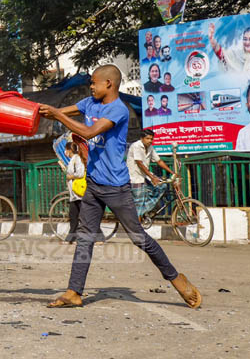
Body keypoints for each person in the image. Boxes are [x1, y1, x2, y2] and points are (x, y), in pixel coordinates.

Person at [39, 64, 201, 309]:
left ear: (109, 84)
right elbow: (59, 112)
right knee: (85, 238)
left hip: (116, 187)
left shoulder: (119, 110)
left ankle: (176, 278)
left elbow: (91, 131)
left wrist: (58, 115)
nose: (91, 86)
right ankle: (74, 291)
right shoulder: (88, 103)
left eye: (94, 82)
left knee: (138, 238)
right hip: (93, 184)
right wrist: (40, 111)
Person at [58, 142, 85, 243]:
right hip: (74, 194)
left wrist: (70, 176)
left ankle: (98, 237)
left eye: (66, 149)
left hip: (78, 193)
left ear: (69, 150)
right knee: (73, 217)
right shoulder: (72, 160)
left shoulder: (77, 159)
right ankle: (71, 238)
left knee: (83, 217)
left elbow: (80, 173)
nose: (65, 152)